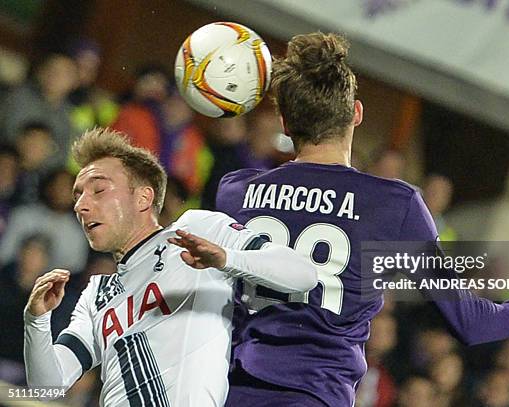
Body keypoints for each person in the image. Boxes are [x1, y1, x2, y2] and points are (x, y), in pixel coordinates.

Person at [215, 32, 509, 406]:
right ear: (357, 113)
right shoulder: (393, 204)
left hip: (223, 390)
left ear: (285, 122)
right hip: (315, 394)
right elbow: (467, 320)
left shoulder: (235, 192)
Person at [23, 128, 316, 406]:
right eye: (78, 195)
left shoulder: (196, 231)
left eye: (98, 190)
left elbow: (303, 275)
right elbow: (47, 386)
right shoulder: (96, 294)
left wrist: (227, 258)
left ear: (143, 198)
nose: (81, 206)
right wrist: (36, 321)